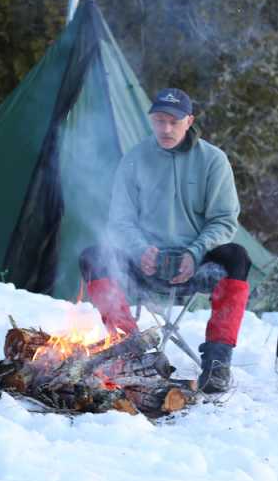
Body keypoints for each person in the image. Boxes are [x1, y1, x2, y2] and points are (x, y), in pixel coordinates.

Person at [78, 87, 251, 394]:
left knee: (237, 256)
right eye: (159, 121)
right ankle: (131, 350)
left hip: (196, 265)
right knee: (93, 256)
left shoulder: (213, 161)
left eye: (173, 121)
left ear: (189, 121)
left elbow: (224, 220)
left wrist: (195, 252)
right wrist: (140, 250)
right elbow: (120, 221)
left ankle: (218, 362)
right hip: (145, 263)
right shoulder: (135, 159)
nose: (166, 129)